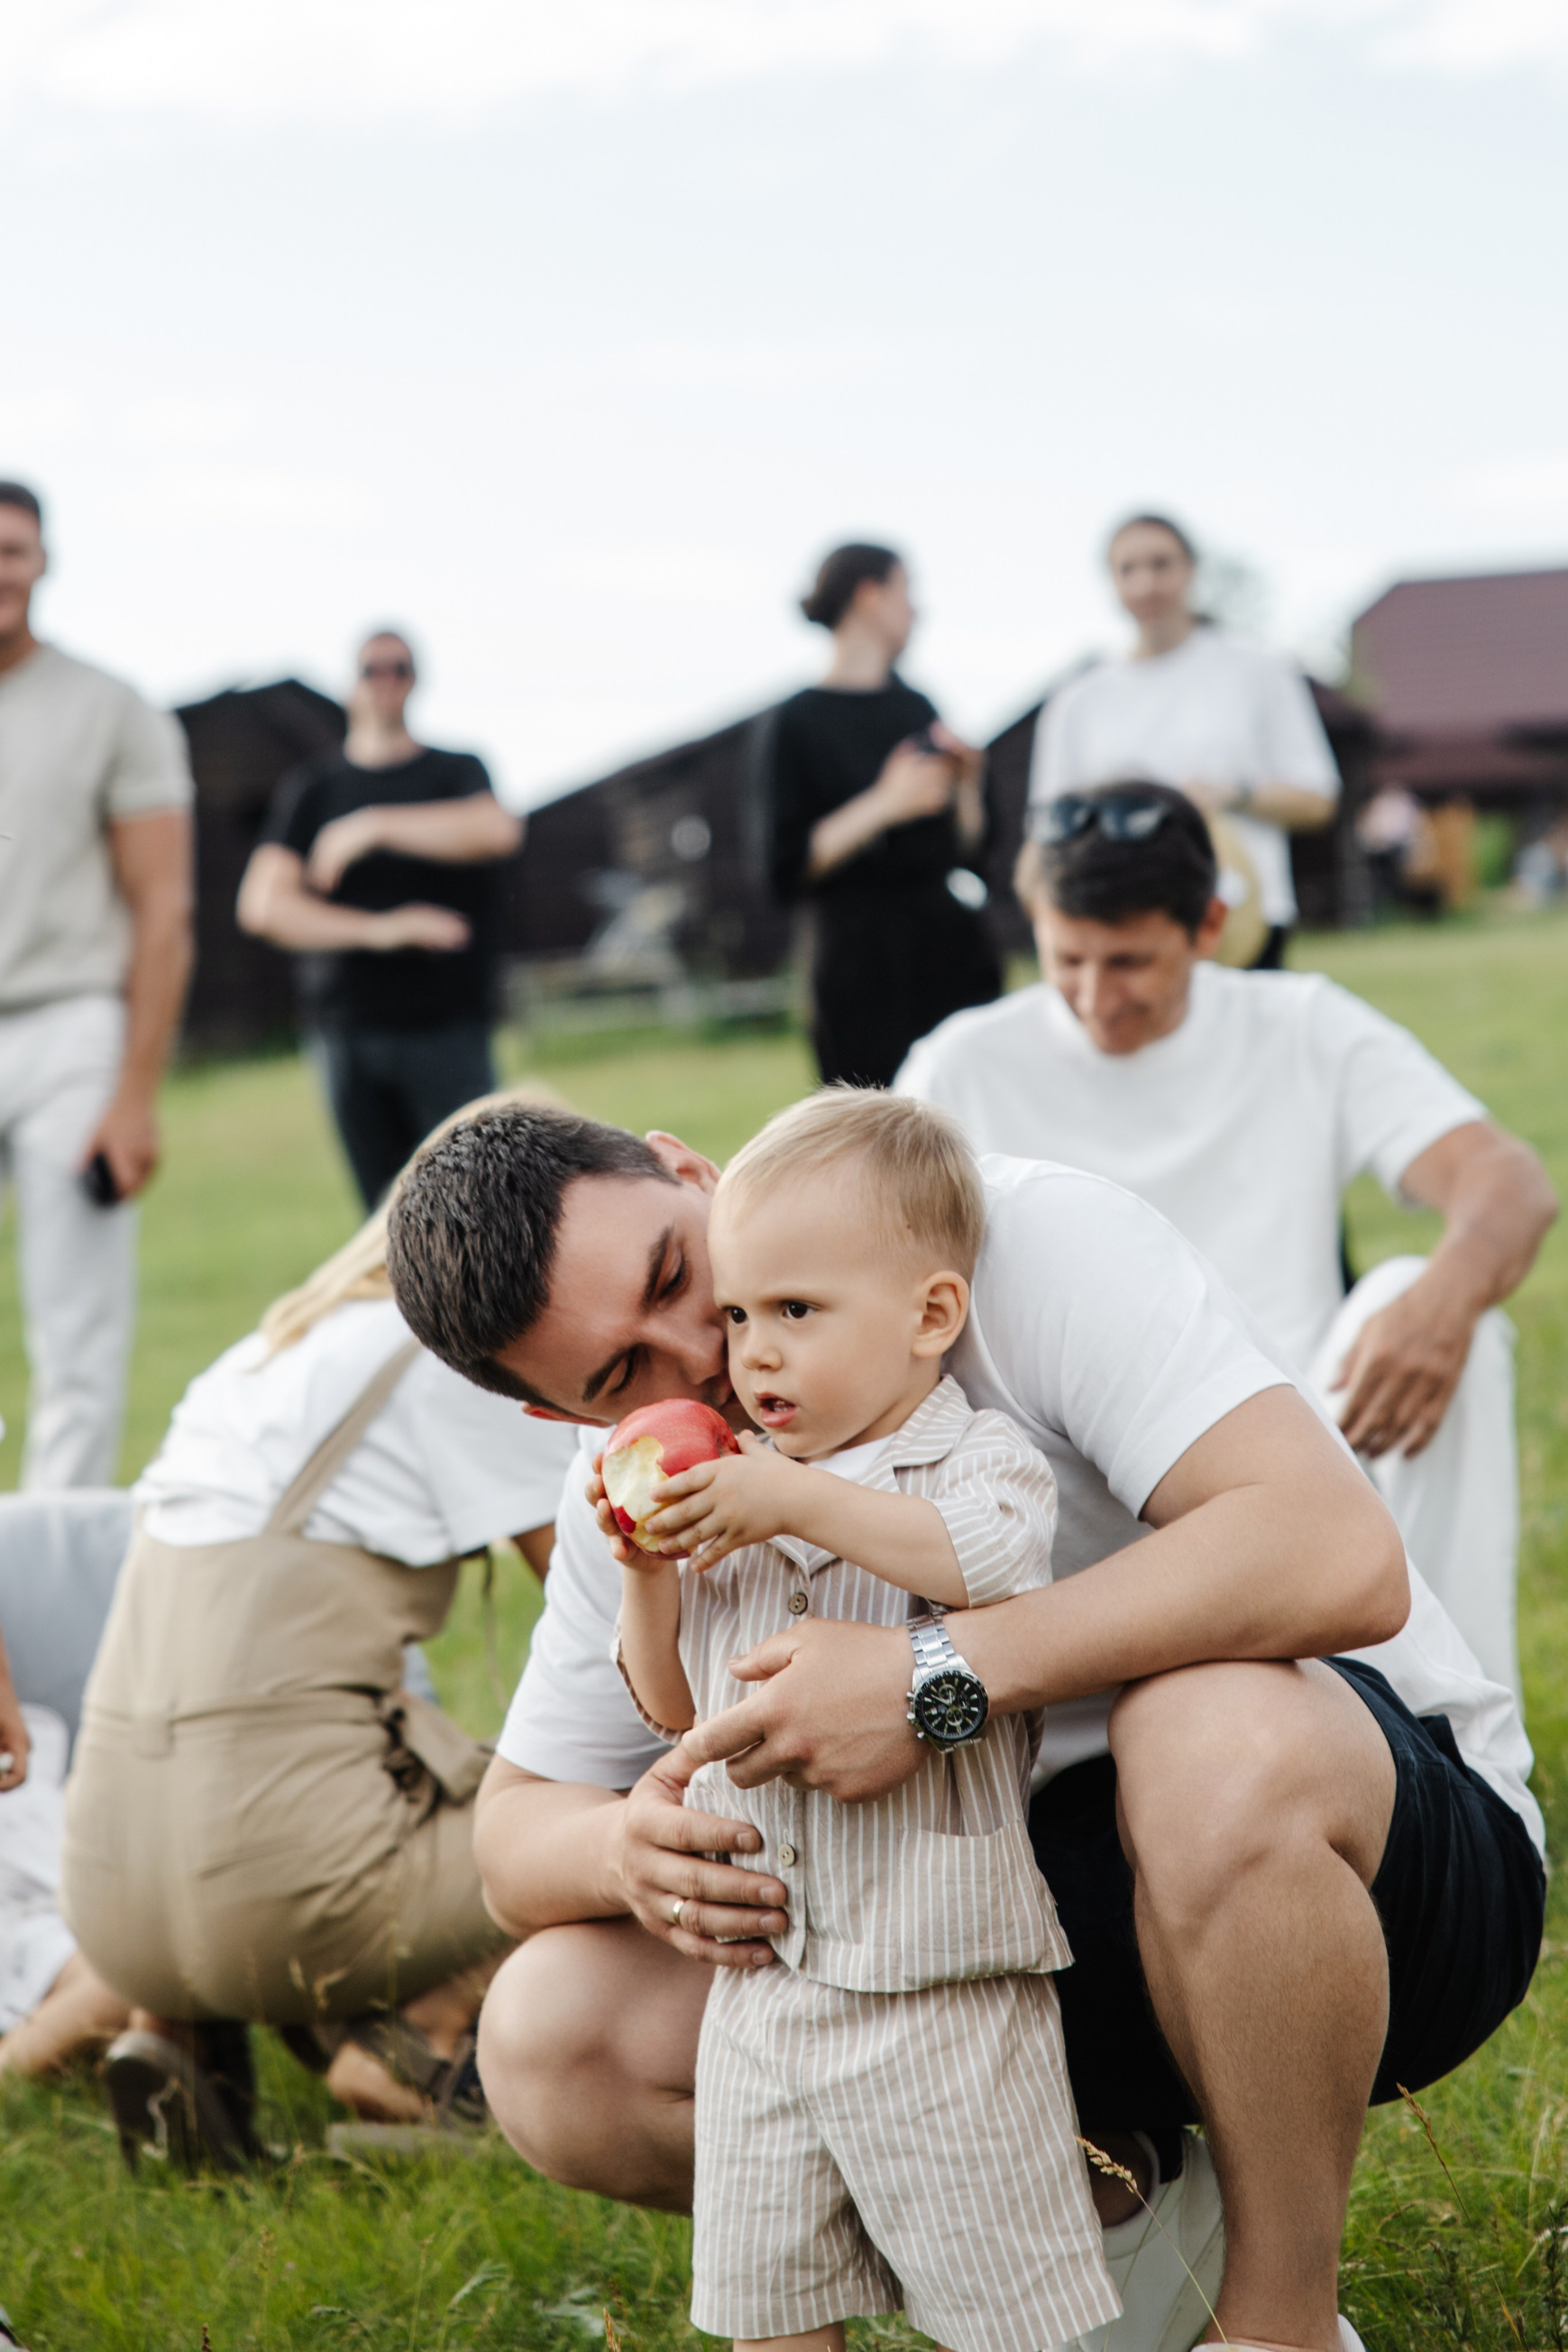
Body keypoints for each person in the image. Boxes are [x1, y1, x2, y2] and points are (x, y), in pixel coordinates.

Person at [384, 1099, 1542, 2352]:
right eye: (618, 1379)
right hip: (970, 1942)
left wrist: (932, 1679)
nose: (702, 1361)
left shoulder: (1019, 1243)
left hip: (1371, 1863)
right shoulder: (645, 1477)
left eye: (678, 1272)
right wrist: (628, 1856)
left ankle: (1278, 2325)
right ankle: (1122, 2234)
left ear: (686, 1170)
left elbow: (1332, 1557)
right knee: (551, 2039)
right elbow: (511, 1843)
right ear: (563, 1420)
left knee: (1205, 1729)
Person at [617, 1093, 1116, 2352]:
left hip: (939, 1977)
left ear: (929, 1317)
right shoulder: (730, 1493)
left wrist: (785, 1500)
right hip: (765, 1994)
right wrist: (643, 1569)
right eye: (737, 1316)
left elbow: (987, 1563)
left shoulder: (968, 1462)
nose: (753, 1355)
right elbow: (678, 1713)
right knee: (765, 2308)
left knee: (1007, 2312)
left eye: (795, 1311)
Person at [895, 782, 1556, 1697]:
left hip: (1302, 1424)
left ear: (1209, 925)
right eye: (1067, 958)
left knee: (1463, 1325)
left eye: (1128, 961)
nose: (1094, 995)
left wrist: (1441, 1302)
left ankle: (1469, 1726)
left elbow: (1507, 1181)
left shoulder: (1299, 1023)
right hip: (1065, 1452)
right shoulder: (959, 1062)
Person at [57, 1097, 579, 2165]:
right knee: (592, 1800)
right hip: (281, 1890)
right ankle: (407, 2048)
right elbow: (600, 1616)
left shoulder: (264, 1354)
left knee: (273, 1802)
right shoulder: (460, 1355)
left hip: (109, 1888)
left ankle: (179, 2029)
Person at [0, 480, 195, 1486]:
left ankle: (33, 1570)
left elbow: (164, 911)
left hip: (68, 1030)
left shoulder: (108, 707)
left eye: (13, 549)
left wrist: (134, 1095)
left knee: (75, 1338)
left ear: (41, 562)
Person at [237, 628, 524, 1208]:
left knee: (480, 1204)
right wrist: (382, 930)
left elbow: (496, 830)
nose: (386, 679)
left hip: (449, 1028)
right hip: (349, 1031)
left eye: (400, 667)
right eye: (373, 668)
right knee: (383, 1218)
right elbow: (264, 906)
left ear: (416, 680)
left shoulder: (457, 771)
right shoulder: (315, 791)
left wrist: (373, 826)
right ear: (352, 684)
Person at [1031, 514, 1340, 968]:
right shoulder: (1078, 700)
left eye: (1161, 565)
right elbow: (1045, 831)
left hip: (1240, 923)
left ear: (1191, 571)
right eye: (1128, 569)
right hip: (1127, 930)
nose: (1146, 584)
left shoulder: (1258, 671)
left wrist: (1232, 794)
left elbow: (1318, 800)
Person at [764, 544, 998, 1088]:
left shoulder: (918, 707)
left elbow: (970, 847)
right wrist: (885, 803)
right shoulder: (793, 723)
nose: (917, 610)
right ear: (869, 597)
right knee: (877, 1132)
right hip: (858, 970)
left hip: (948, 955)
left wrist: (968, 786)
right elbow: (784, 864)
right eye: (906, 592)